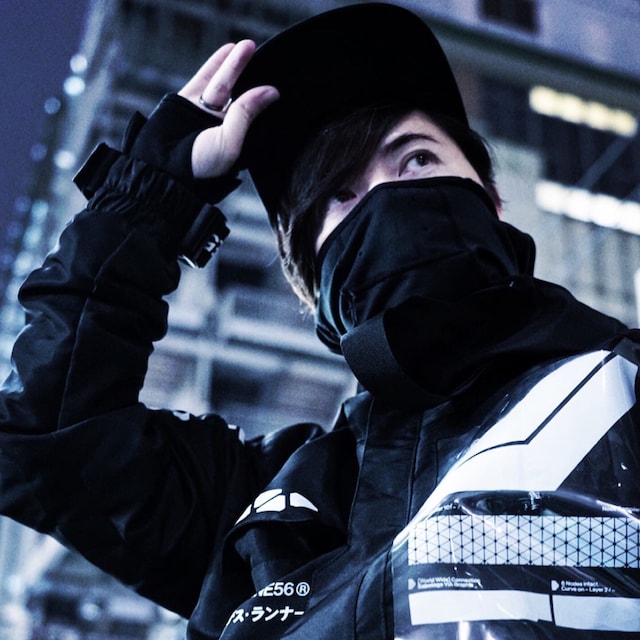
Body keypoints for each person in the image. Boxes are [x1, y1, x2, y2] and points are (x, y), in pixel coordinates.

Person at [1, 3, 639, 638]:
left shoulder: (623, 387)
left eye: (417, 160)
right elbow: (45, 432)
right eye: (341, 194)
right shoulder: (260, 509)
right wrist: (149, 199)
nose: (386, 196)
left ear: (494, 203)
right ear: (314, 289)